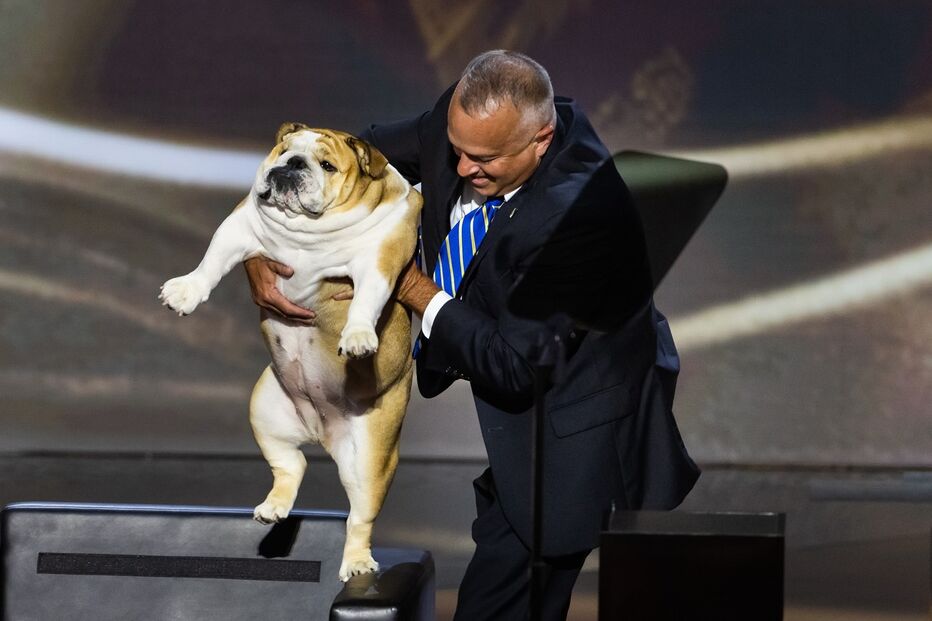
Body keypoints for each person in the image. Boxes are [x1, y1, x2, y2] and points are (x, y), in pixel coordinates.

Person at [245, 50, 699, 621]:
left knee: (507, 592)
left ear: (540, 140)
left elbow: (512, 364)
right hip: (523, 393)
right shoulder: (457, 127)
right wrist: (261, 245)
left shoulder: (582, 217)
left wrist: (407, 285)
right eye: (456, 151)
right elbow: (343, 159)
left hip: (574, 420)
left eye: (483, 159)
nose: (461, 170)